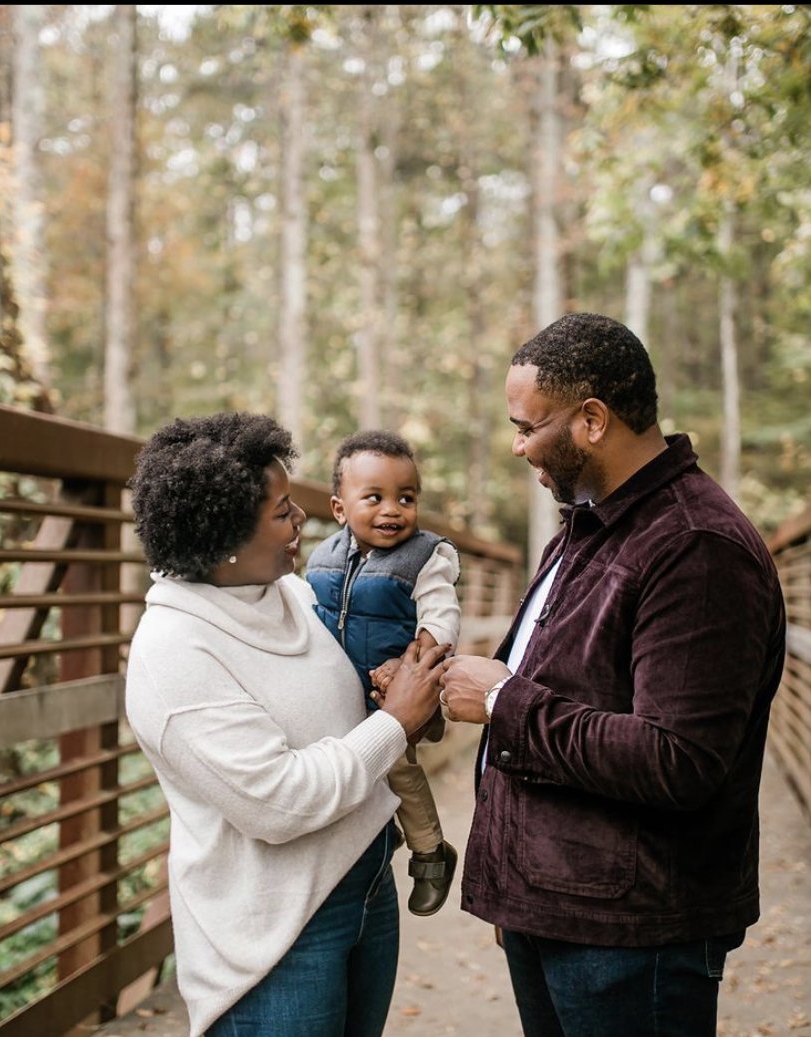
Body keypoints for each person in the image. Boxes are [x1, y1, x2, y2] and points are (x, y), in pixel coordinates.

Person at [438, 313, 787, 1037]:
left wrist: (502, 698)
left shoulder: (695, 546)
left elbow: (678, 758)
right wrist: (517, 891)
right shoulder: (590, 523)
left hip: (631, 933)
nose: (517, 444)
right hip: (560, 907)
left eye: (527, 425)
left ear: (592, 419)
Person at [124, 412, 447, 1037]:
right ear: (225, 536)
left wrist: (399, 686)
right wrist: (395, 723)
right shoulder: (175, 651)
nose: (303, 520)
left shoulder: (292, 593)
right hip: (276, 938)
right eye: (281, 512)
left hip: (367, 881)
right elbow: (278, 802)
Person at [305, 430, 460, 917]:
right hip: (333, 693)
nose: (392, 510)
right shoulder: (321, 558)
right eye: (374, 498)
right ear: (338, 508)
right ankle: (376, 827)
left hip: (391, 692)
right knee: (329, 759)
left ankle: (430, 851)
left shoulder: (425, 558)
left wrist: (414, 659)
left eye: (406, 498)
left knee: (397, 765)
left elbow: (441, 615)